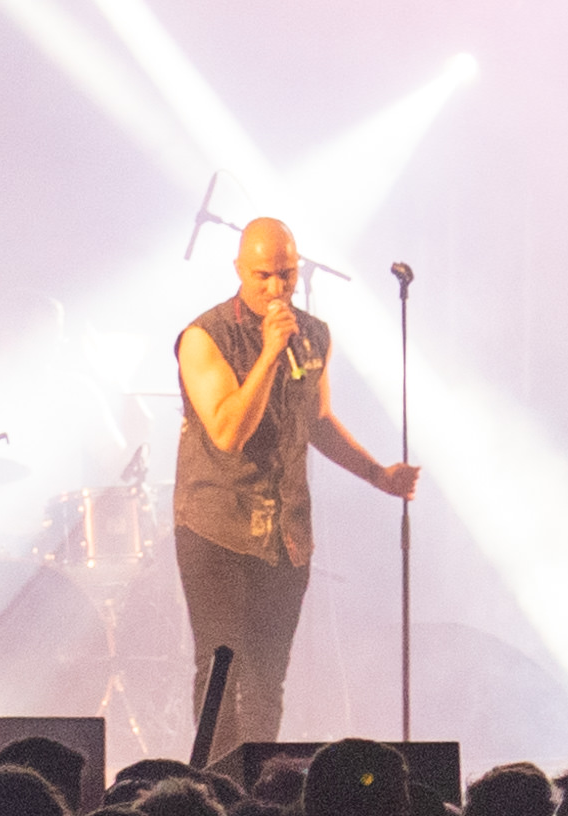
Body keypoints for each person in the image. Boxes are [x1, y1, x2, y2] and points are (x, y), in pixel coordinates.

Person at [167, 218, 416, 762]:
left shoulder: (314, 334)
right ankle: (212, 788)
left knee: (266, 678)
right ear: (239, 270)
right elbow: (229, 432)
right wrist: (267, 354)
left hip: (286, 534)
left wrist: (379, 475)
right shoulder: (204, 337)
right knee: (220, 670)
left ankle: (256, 784)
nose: (276, 287)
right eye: (263, 276)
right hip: (217, 528)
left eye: (286, 274)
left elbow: (317, 420)